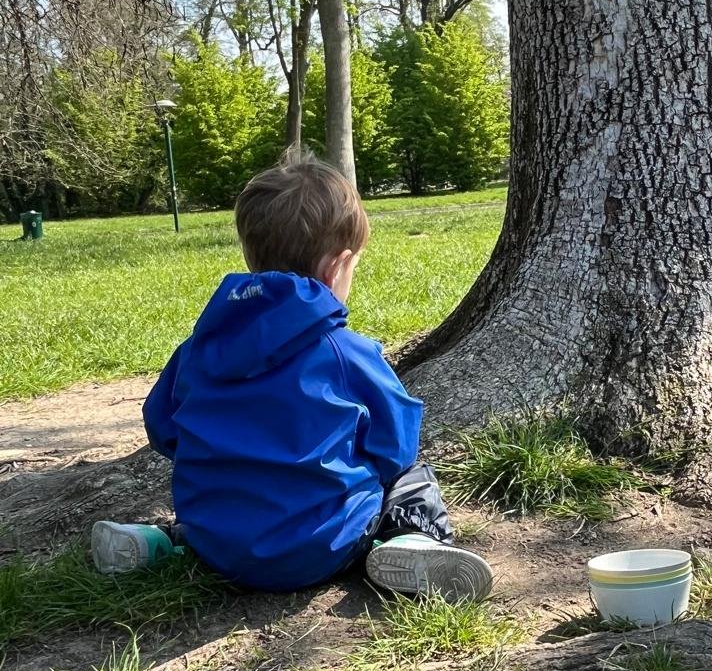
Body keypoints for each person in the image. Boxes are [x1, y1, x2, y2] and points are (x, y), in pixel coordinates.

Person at [92, 152, 492, 600]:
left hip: (219, 546)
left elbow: (162, 430)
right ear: (336, 267)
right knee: (412, 479)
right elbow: (396, 445)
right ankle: (410, 541)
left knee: (225, 513)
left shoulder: (197, 350)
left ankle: (159, 543)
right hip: (320, 548)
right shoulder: (345, 352)